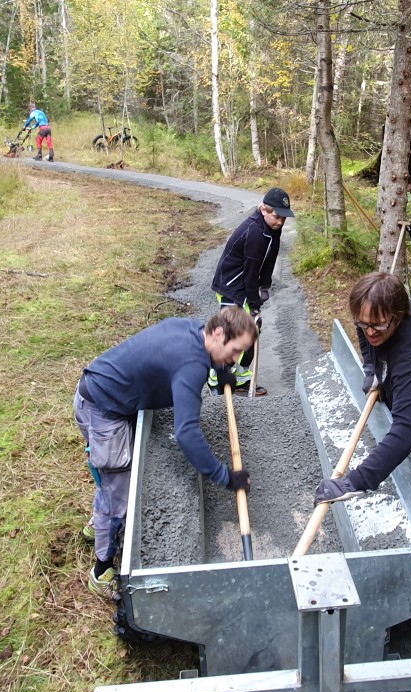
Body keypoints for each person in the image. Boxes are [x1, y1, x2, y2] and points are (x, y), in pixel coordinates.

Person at [75, 308, 257, 598]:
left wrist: (223, 373)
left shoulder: (194, 330)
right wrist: (225, 476)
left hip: (108, 391)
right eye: (235, 352)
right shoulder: (190, 365)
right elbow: (186, 432)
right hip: (101, 409)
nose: (235, 360)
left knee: (115, 482)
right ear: (219, 334)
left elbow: (209, 356)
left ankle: (99, 523)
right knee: (119, 494)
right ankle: (101, 571)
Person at [315, 272, 411, 503]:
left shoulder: (410, 357)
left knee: (408, 460)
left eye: (378, 326)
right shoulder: (378, 312)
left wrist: (354, 482)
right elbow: (365, 329)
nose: (370, 332)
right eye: (364, 324)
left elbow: (405, 432)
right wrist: (371, 367)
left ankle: (407, 498)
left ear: (399, 314)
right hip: (406, 378)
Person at [208, 188, 294, 395]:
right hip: (231, 285)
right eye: (277, 216)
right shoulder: (254, 232)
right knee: (232, 331)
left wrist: (264, 286)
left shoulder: (272, 227)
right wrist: (254, 305)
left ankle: (242, 377)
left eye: (284, 218)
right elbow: (250, 271)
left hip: (246, 284)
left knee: (253, 329)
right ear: (264, 209)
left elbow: (270, 259)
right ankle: (217, 378)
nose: (280, 222)